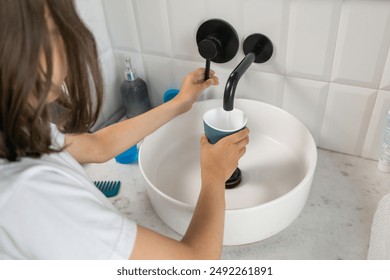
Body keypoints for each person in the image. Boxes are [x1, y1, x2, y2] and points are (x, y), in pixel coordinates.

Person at [0, 0, 249, 259]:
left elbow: (97, 146)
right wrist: (214, 174)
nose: (69, 40)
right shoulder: (32, 195)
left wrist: (179, 104)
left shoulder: (15, 130)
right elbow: (196, 264)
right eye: (58, 30)